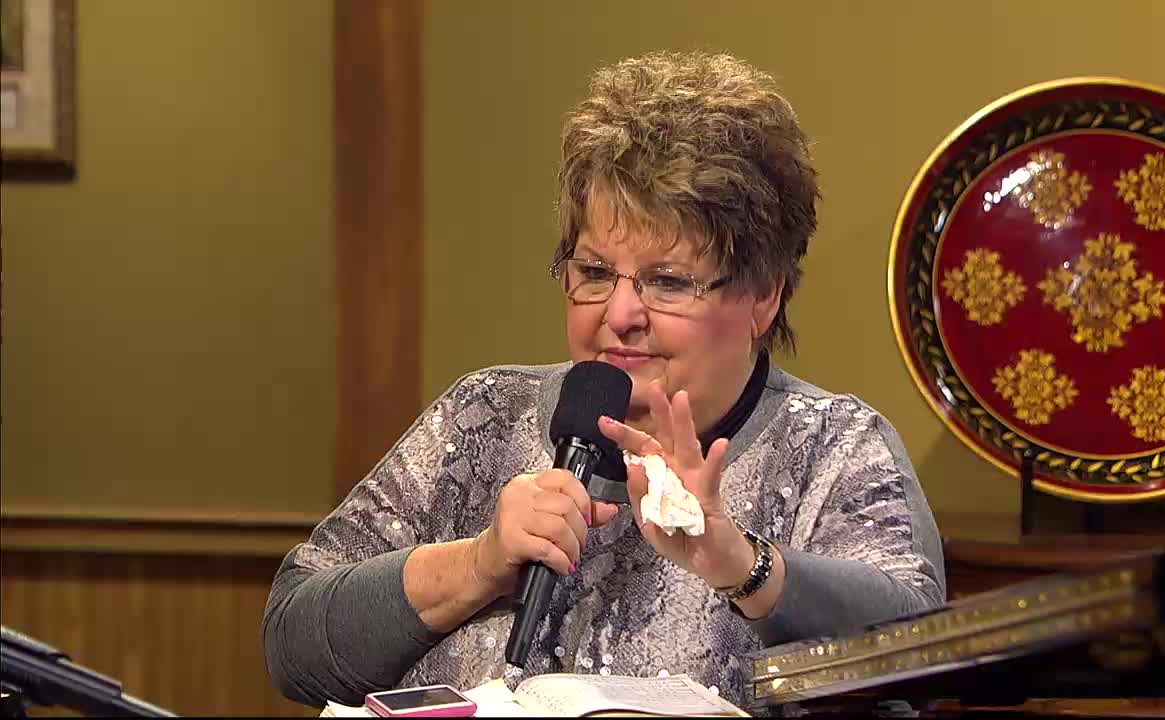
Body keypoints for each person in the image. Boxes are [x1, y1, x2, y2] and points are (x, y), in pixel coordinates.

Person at [262, 50, 944, 710]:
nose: (619, 315)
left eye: (666, 281)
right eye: (593, 272)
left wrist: (743, 566)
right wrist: (476, 565)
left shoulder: (834, 450)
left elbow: (919, 654)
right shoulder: (483, 418)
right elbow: (292, 640)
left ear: (763, 295)